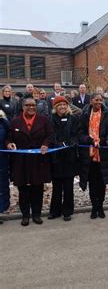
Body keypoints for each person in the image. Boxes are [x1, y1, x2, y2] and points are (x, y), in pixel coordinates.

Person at [6, 96, 53, 226]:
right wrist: (9, 144)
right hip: (21, 162)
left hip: (38, 160)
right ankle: (25, 215)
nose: (31, 107)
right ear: (23, 107)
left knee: (37, 188)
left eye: (33, 105)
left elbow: (50, 135)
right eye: (28, 105)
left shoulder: (43, 120)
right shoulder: (15, 122)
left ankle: (36, 214)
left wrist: (46, 144)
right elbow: (8, 138)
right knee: (23, 189)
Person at [78, 93, 108, 219]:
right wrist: (88, 140)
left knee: (102, 183)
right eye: (96, 100)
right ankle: (94, 207)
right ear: (91, 101)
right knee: (92, 183)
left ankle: (100, 206)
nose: (99, 102)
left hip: (103, 153)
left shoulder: (107, 114)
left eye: (100, 100)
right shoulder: (84, 115)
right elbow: (80, 133)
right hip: (88, 155)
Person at [48, 96, 81, 221]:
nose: (62, 107)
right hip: (56, 157)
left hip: (69, 157)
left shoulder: (73, 119)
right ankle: (55, 211)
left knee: (68, 186)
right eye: (59, 105)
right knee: (56, 186)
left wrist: (71, 142)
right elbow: (50, 134)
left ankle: (67, 211)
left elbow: (76, 134)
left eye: (64, 104)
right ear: (55, 107)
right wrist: (57, 144)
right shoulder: (51, 119)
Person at [0, 110, 9, 224]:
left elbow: (9, 137)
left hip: (2, 158)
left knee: (2, 185)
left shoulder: (4, 122)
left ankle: (1, 209)